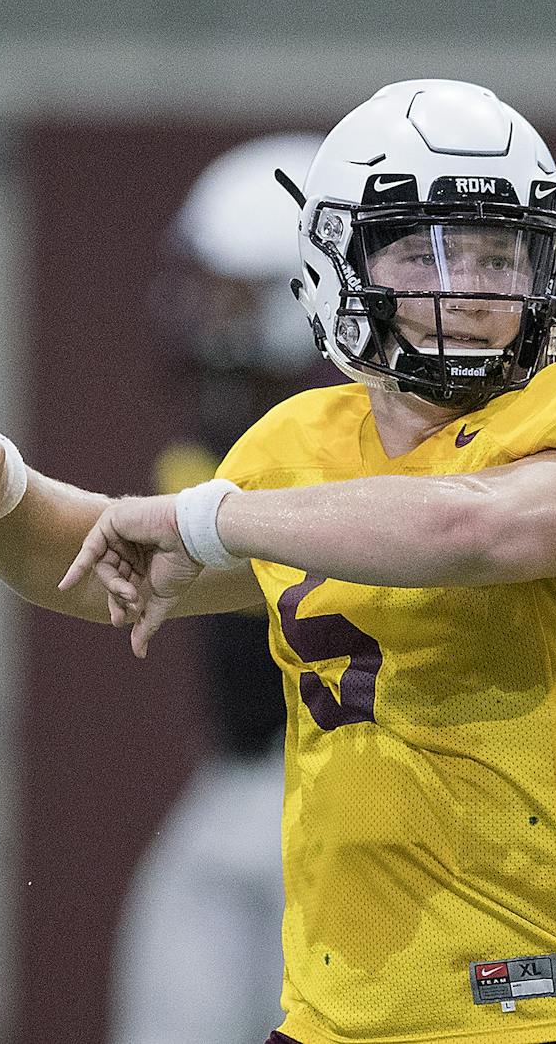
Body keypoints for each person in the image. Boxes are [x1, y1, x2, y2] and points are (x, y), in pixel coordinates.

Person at [0, 78, 556, 1043]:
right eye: (424, 250)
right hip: (342, 1019)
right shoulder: (295, 449)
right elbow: (107, 562)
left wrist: (217, 516)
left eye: (499, 253)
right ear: (337, 263)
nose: (471, 288)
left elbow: (474, 529)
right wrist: (2, 491)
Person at [109, 132, 326, 1044]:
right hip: (237, 776)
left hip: (342, 772)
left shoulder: (354, 419)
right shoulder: (228, 408)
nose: (204, 309)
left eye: (228, 284)